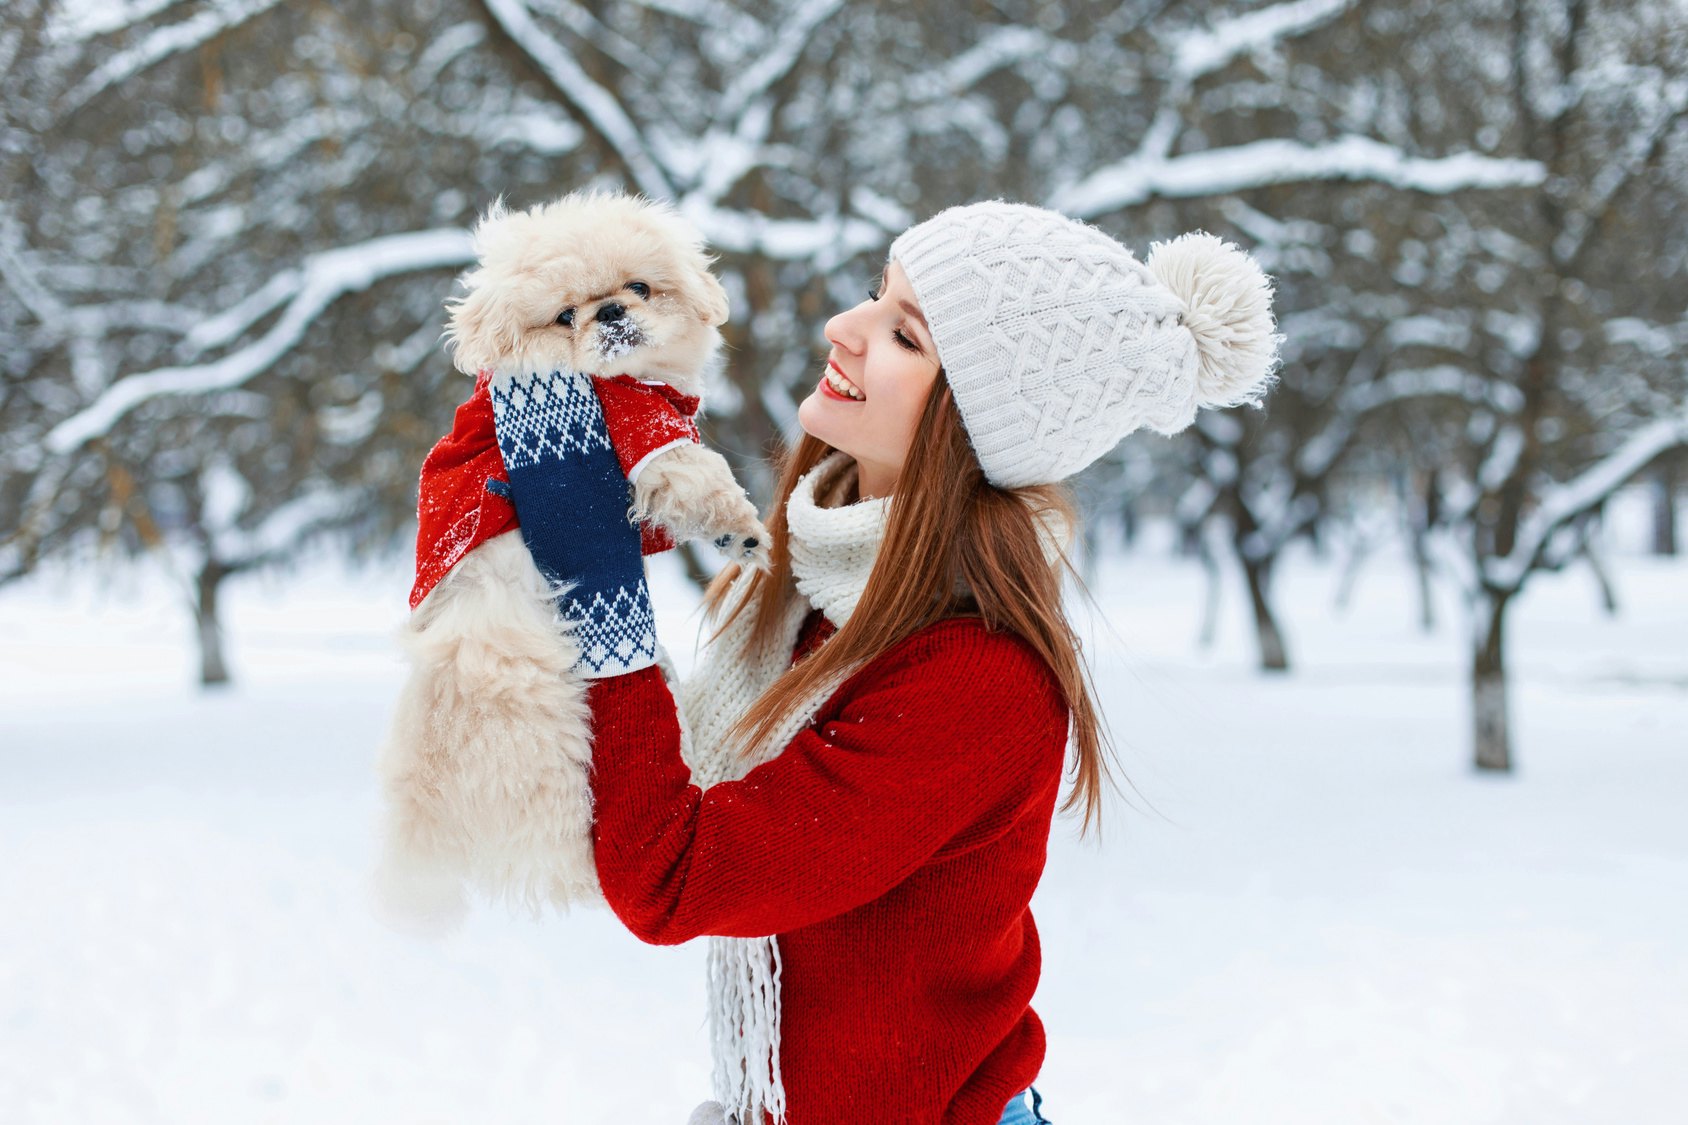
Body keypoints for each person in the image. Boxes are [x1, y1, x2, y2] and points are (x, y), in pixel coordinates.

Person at [578, 200, 1282, 1125]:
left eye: (905, 335)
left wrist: (594, 585)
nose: (845, 327)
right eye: (877, 293)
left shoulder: (975, 679)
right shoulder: (817, 589)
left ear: (973, 423)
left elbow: (673, 872)